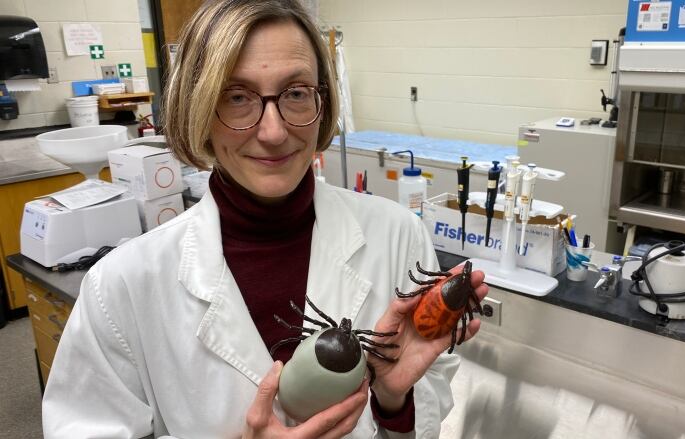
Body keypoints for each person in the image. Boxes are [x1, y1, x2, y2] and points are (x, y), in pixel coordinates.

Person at [41, 0, 487, 438]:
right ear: (198, 109)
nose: (273, 133)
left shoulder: (397, 235)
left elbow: (429, 401)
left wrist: (393, 400)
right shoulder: (122, 286)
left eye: (295, 93)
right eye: (237, 97)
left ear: (322, 101)